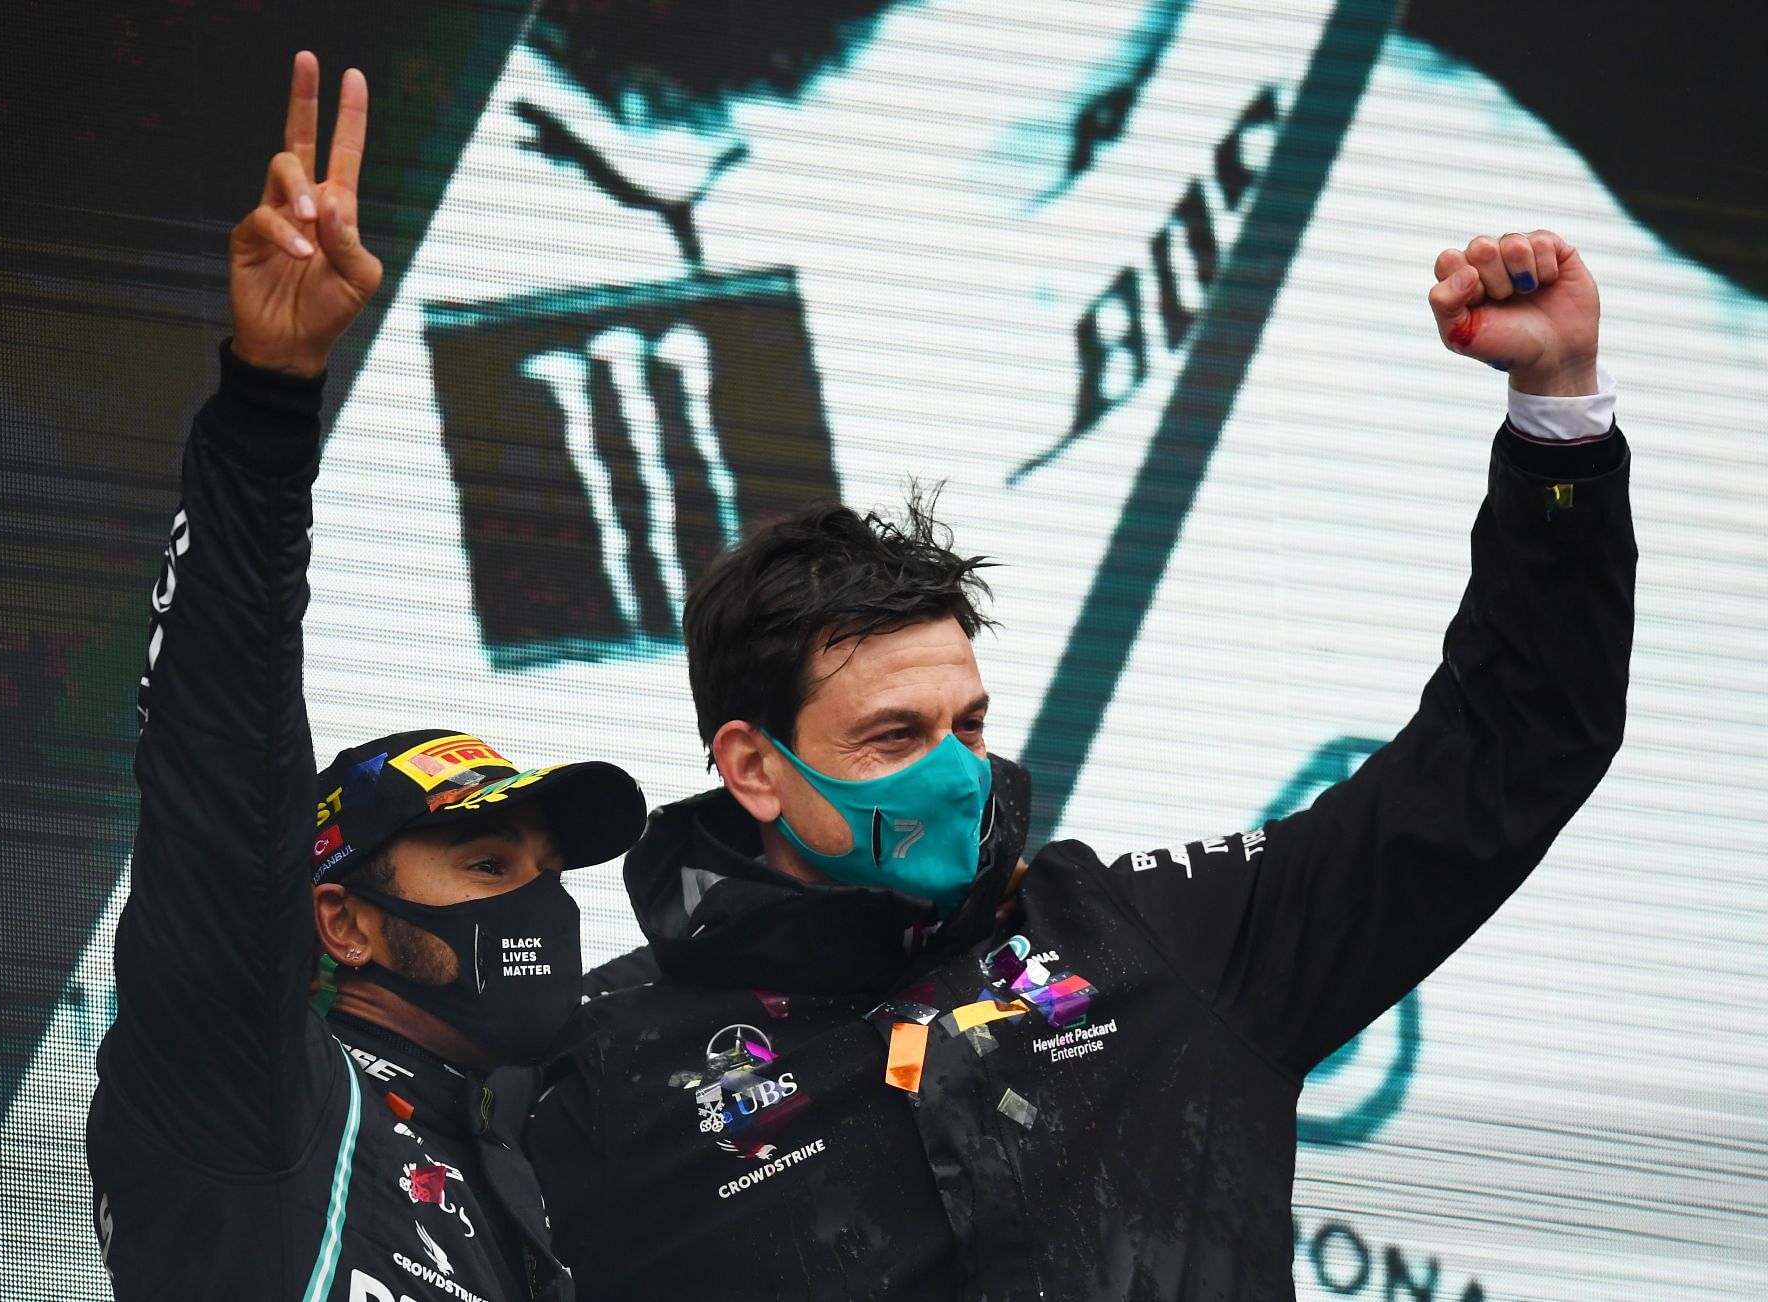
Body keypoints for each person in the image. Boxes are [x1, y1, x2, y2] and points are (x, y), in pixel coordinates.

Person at [524, 230, 1635, 1299]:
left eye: (967, 726)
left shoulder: (1158, 938)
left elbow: (1510, 748)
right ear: (754, 768)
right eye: (894, 737)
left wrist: (1558, 423)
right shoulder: (611, 1079)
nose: (957, 776)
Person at [86, 53, 645, 1301]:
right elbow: (223, 770)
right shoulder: (258, 1098)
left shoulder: (547, 1172)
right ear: (339, 918)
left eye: (546, 874)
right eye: (487, 863)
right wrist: (272, 410)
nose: (537, 908)